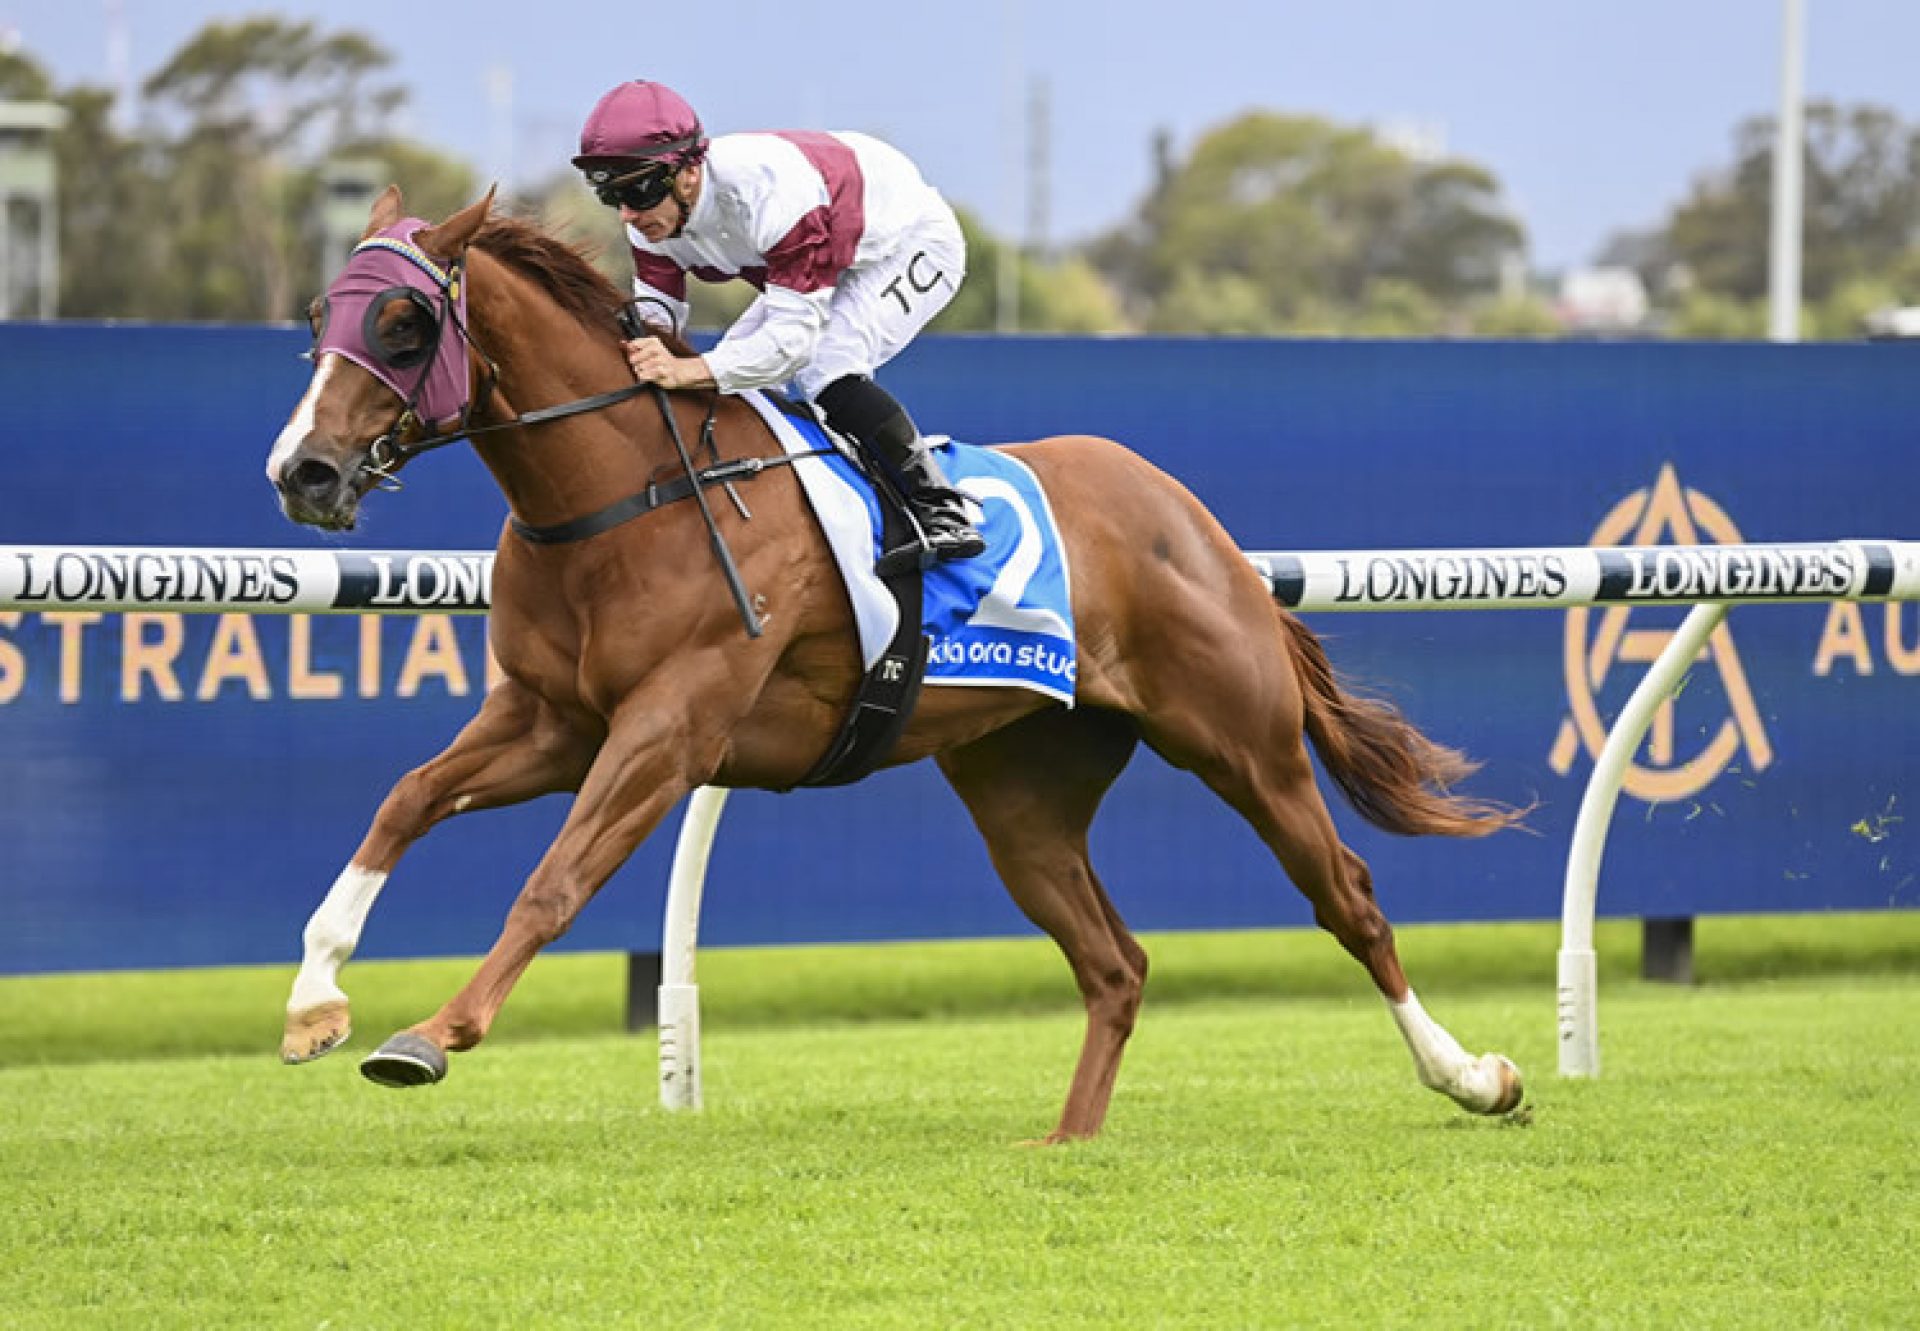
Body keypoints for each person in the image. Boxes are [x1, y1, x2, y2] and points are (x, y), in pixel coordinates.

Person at [573, 79, 985, 568]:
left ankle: (940, 507)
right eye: (610, 196)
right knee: (737, 381)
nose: (627, 215)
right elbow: (657, 325)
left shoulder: (768, 193)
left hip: (906, 242)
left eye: (636, 191)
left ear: (688, 172)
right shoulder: (651, 221)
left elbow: (791, 344)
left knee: (823, 366)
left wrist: (689, 369)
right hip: (827, 252)